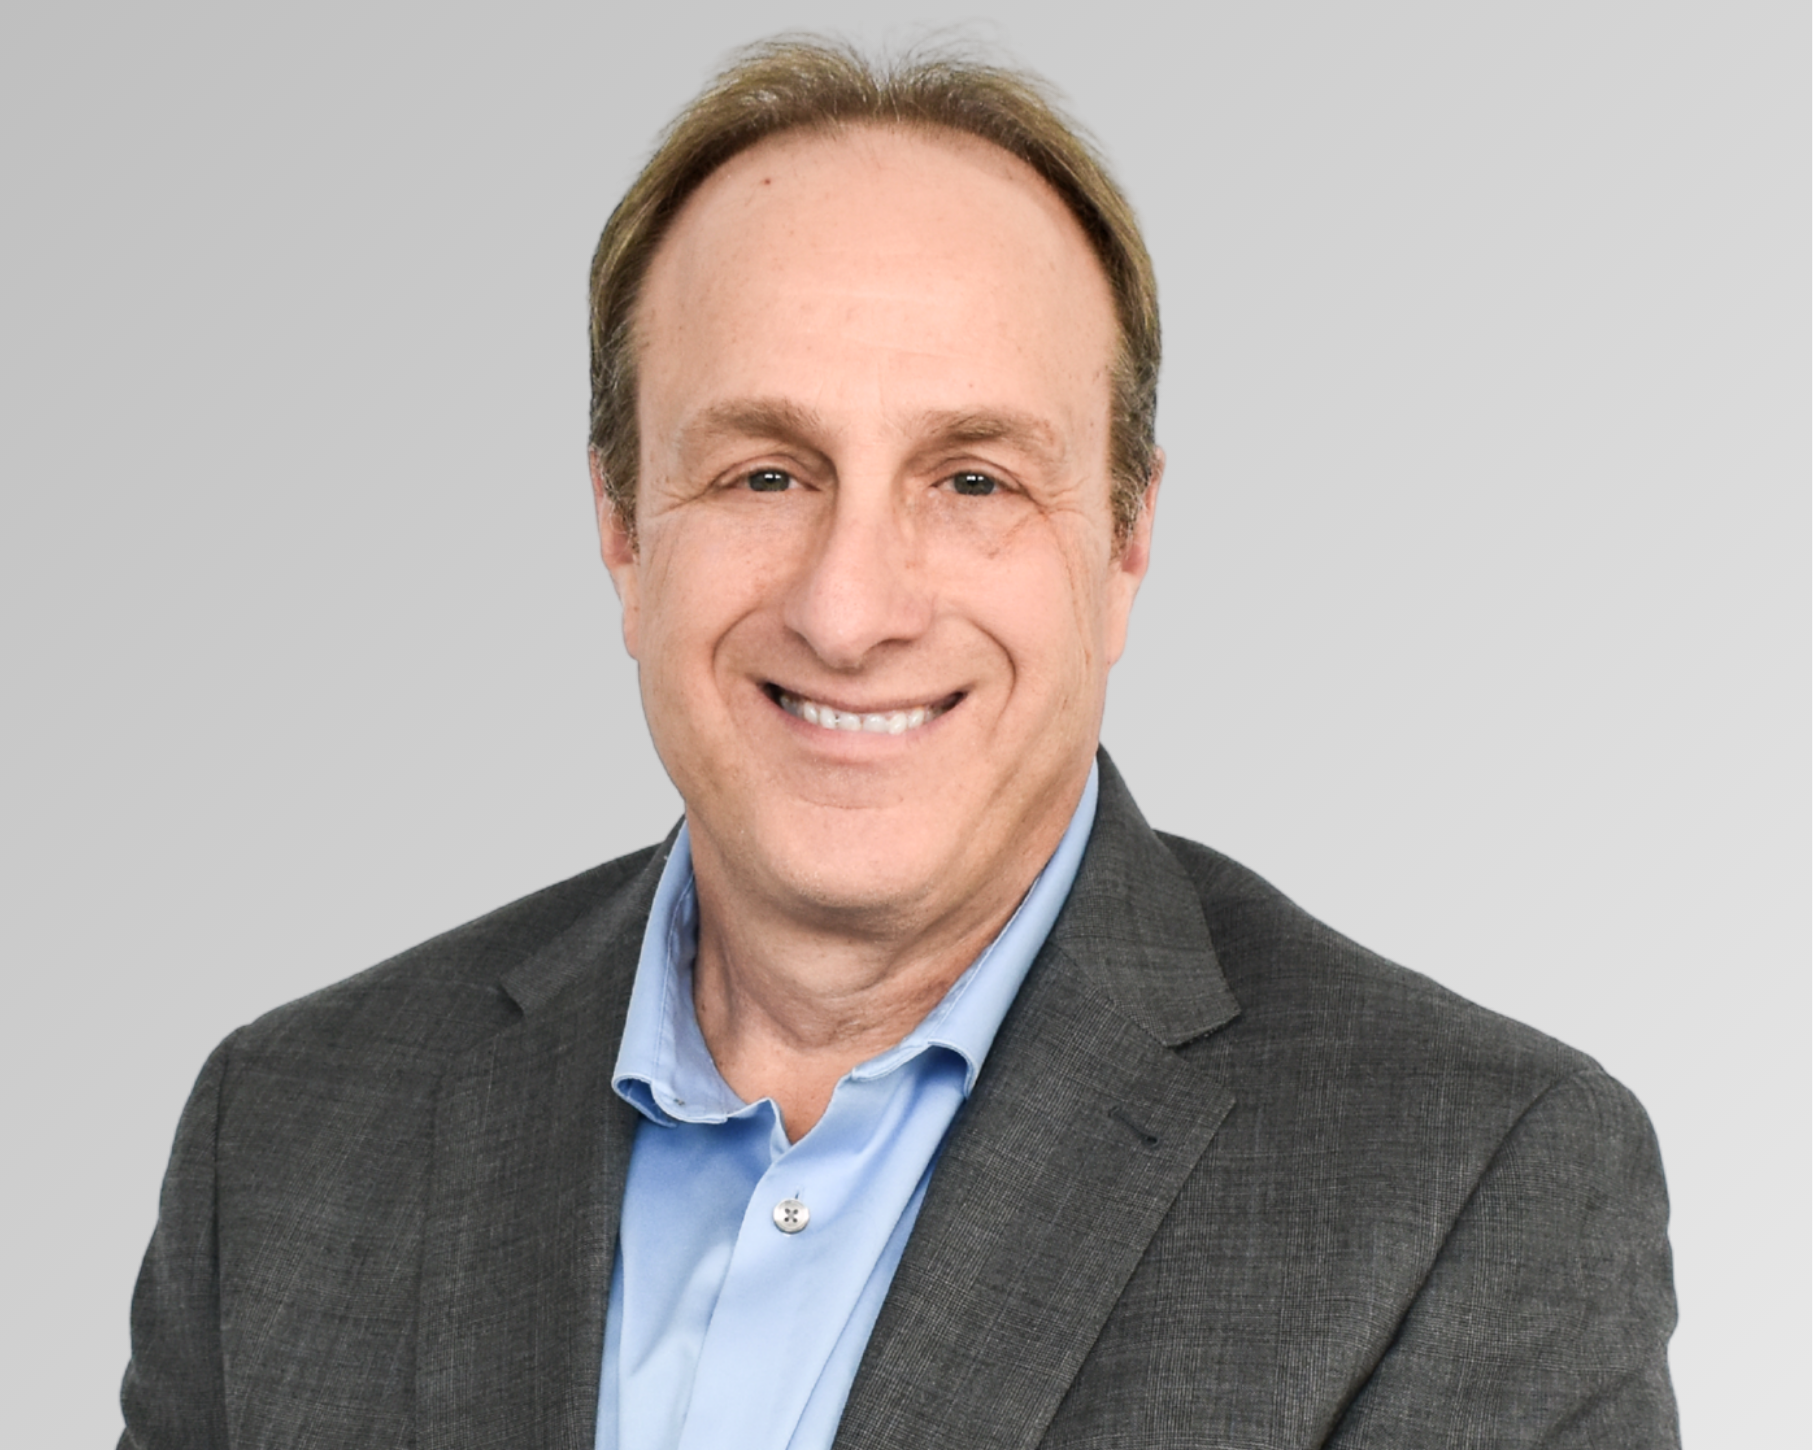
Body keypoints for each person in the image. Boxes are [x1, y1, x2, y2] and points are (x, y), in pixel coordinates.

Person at [119, 37, 1680, 1450]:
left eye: (973, 479)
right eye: (766, 474)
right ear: (621, 528)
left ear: (1125, 543)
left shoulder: (1466, 1192)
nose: (850, 608)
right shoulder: (287, 1138)